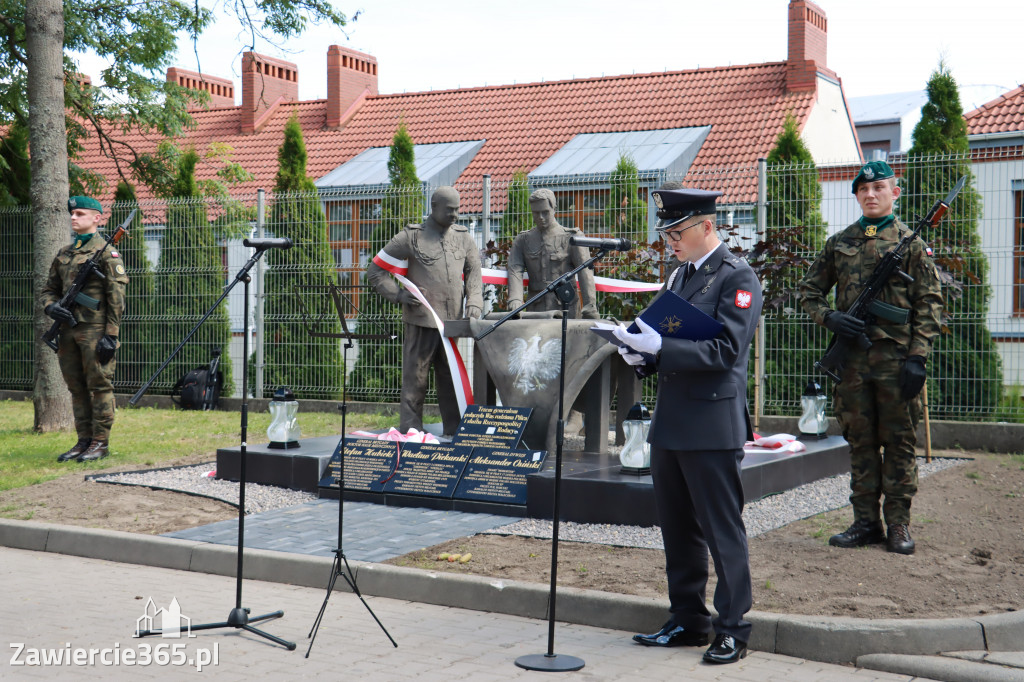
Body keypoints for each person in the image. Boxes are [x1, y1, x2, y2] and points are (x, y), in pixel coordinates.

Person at [613, 188, 762, 665]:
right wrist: (638, 354)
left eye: (677, 232)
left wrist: (661, 350)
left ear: (706, 227)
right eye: (666, 233)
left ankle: (733, 628)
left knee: (722, 530)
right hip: (673, 420)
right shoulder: (680, 275)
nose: (670, 241)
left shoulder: (736, 277)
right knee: (677, 530)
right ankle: (687, 619)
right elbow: (668, 342)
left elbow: (725, 352)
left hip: (712, 422)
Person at [798, 160, 943, 555]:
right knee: (860, 442)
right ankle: (865, 522)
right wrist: (831, 318)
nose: (871, 194)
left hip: (897, 362)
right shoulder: (839, 242)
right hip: (853, 362)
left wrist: (918, 356)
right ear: (857, 196)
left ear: (894, 192)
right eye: (863, 189)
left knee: (899, 442)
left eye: (879, 187)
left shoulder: (910, 245)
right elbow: (808, 292)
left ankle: (898, 525)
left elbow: (929, 303)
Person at [366, 186, 483, 436]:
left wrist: (474, 301)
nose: (455, 215)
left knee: (450, 378)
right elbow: (375, 270)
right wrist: (397, 295)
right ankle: (410, 430)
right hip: (421, 320)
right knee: (416, 378)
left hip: (452, 323)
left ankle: (455, 429)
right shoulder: (411, 237)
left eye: (457, 210)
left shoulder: (463, 237)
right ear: (434, 207)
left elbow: (474, 271)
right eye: (449, 210)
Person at [42, 196, 129, 463]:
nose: (73, 217)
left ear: (96, 218)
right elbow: (49, 289)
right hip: (67, 329)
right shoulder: (64, 253)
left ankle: (100, 443)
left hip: (95, 330)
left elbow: (117, 295)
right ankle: (83, 441)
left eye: (80, 213)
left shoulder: (106, 252)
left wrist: (110, 335)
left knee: (99, 385)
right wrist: (51, 307)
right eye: (72, 213)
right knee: (76, 387)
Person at [506, 189, 598, 319]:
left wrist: (590, 306)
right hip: (535, 307)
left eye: (545, 212)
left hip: (565, 306)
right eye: (536, 213)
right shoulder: (523, 240)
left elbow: (585, 271)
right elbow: (515, 269)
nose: (540, 217)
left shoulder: (571, 238)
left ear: (554, 209)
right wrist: (515, 299)